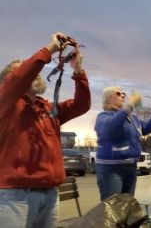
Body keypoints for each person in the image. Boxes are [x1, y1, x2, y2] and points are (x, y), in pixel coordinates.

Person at [0, 33, 90, 228]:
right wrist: (49, 49)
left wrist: (78, 71)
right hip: (15, 195)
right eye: (26, 71)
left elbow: (82, 104)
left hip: (49, 193)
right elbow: (21, 77)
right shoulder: (5, 103)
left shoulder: (49, 108)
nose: (33, 73)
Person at [94, 88, 151, 201]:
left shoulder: (132, 119)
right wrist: (130, 106)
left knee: (127, 207)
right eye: (118, 93)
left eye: (123, 94)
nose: (123, 96)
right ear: (108, 100)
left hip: (130, 168)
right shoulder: (103, 116)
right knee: (113, 208)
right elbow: (110, 128)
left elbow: (148, 127)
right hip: (112, 169)